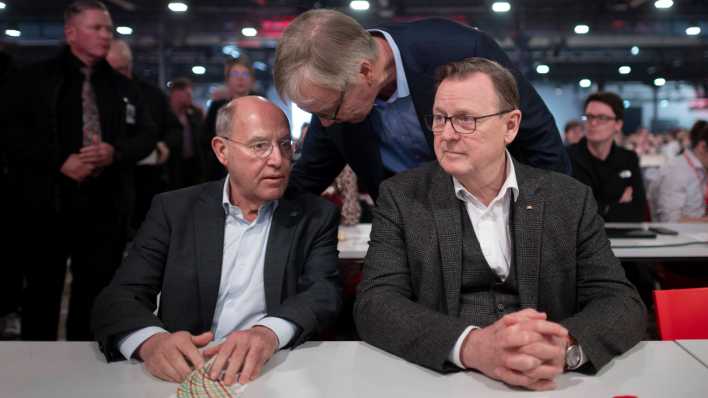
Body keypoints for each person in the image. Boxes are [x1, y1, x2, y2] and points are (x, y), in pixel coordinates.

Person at [353, 58, 646, 390]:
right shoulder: (402, 197)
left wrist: (564, 348)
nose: (446, 134)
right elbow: (375, 304)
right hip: (442, 382)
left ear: (510, 126)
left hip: (548, 383)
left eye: (465, 119)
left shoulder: (568, 198)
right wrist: (470, 347)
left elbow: (621, 302)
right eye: (439, 118)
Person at [92, 96, 342, 386]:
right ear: (222, 151)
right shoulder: (174, 211)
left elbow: (323, 293)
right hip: (182, 376)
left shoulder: (315, 215)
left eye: (285, 145)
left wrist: (268, 333)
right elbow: (118, 298)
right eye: (260, 146)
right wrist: (151, 343)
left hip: (273, 374)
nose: (278, 160)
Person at [274, 9, 569, 200]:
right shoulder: (333, 95)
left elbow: (538, 138)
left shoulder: (460, 51)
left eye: (328, 112)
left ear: (365, 71)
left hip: (492, 211)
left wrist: (552, 220)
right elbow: (309, 177)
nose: (324, 124)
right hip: (409, 231)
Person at [4, 0, 156, 341]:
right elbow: (10, 133)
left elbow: (147, 134)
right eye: (96, 28)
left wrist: (114, 152)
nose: (106, 36)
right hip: (47, 204)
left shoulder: (122, 87)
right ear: (71, 32)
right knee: (42, 290)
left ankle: (85, 367)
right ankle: (35, 365)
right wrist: (58, 160)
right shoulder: (32, 79)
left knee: (96, 291)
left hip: (104, 207)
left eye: (108, 29)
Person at [106, 39, 183, 230]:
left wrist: (165, 145)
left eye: (122, 69)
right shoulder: (97, 94)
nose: (118, 76)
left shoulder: (151, 94)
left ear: (130, 65)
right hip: (109, 182)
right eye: (111, 70)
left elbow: (174, 129)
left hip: (149, 181)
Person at [567, 92, 647, 222]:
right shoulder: (568, 158)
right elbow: (569, 212)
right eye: (589, 117)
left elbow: (638, 211)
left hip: (623, 238)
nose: (593, 123)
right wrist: (611, 207)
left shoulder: (628, 159)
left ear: (618, 124)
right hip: (578, 240)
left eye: (602, 118)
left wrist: (598, 208)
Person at [203, 57, 259, 180]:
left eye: (245, 74)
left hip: (254, 167)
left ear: (252, 80)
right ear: (227, 80)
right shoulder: (216, 107)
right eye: (235, 74)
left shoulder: (261, 107)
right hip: (221, 170)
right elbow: (206, 140)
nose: (240, 78)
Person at [651, 120, 708, 222]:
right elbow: (671, 220)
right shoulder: (676, 170)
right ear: (702, 147)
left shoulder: (701, 169)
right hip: (682, 236)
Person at [168, 77, 208, 188]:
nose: (191, 97)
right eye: (188, 94)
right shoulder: (165, 114)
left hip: (193, 167)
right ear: (177, 94)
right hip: (172, 168)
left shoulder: (195, 114)